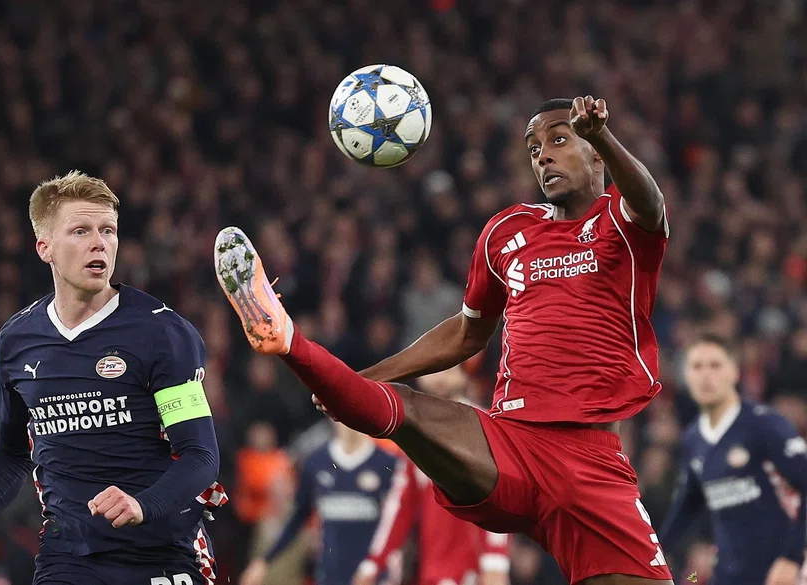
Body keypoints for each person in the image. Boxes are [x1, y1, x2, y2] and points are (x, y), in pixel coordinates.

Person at [214, 96, 675, 585]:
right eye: (533, 147)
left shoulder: (623, 225)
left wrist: (602, 132)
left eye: (559, 139)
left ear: (597, 154)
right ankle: (285, 339)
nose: (543, 155)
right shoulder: (506, 231)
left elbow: (650, 203)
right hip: (511, 444)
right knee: (408, 410)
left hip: (592, 464)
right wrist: (367, 378)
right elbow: (466, 332)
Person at [0, 171, 226, 585]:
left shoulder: (163, 333)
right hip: (70, 554)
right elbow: (12, 451)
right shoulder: (16, 343)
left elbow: (201, 455)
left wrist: (142, 505)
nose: (99, 242)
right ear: (45, 248)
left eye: (108, 230)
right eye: (80, 230)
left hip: (162, 549)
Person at [658, 334, 807, 585]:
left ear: (734, 372)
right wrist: (657, 555)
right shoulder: (694, 438)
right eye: (697, 366)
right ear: (687, 376)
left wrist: (791, 558)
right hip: (730, 574)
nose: (706, 375)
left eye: (715, 365)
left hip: (781, 573)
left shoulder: (764, 425)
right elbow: (688, 503)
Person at [354, 367, 511, 585]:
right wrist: (373, 563)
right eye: (434, 369)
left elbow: (500, 496)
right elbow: (400, 505)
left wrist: (495, 560)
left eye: (450, 369)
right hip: (431, 572)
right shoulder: (413, 430)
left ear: (464, 374)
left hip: (473, 573)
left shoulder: (482, 425)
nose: (440, 378)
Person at [240, 420, 398, 585]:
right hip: (330, 576)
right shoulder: (317, 462)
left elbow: (398, 521)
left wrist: (386, 564)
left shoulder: (386, 464)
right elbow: (298, 517)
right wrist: (264, 561)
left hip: (371, 577)